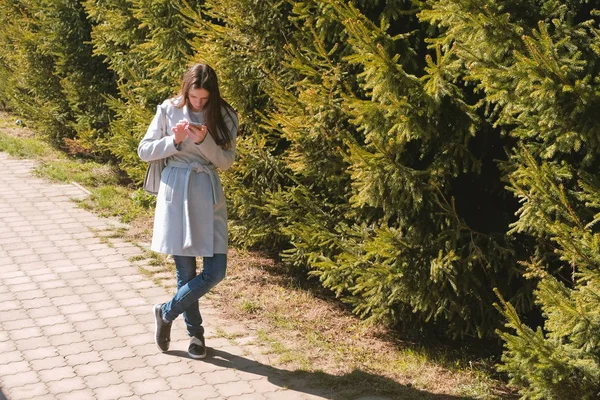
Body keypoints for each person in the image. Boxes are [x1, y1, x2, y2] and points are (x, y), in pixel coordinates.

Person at [138, 63, 238, 359]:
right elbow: (144, 150)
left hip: (207, 192)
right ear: (186, 90)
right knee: (185, 272)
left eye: (204, 99)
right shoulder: (169, 108)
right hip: (176, 191)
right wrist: (175, 140)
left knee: (215, 271)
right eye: (194, 97)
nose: (198, 103)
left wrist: (203, 140)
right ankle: (196, 336)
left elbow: (226, 161)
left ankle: (165, 313)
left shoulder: (225, 115)